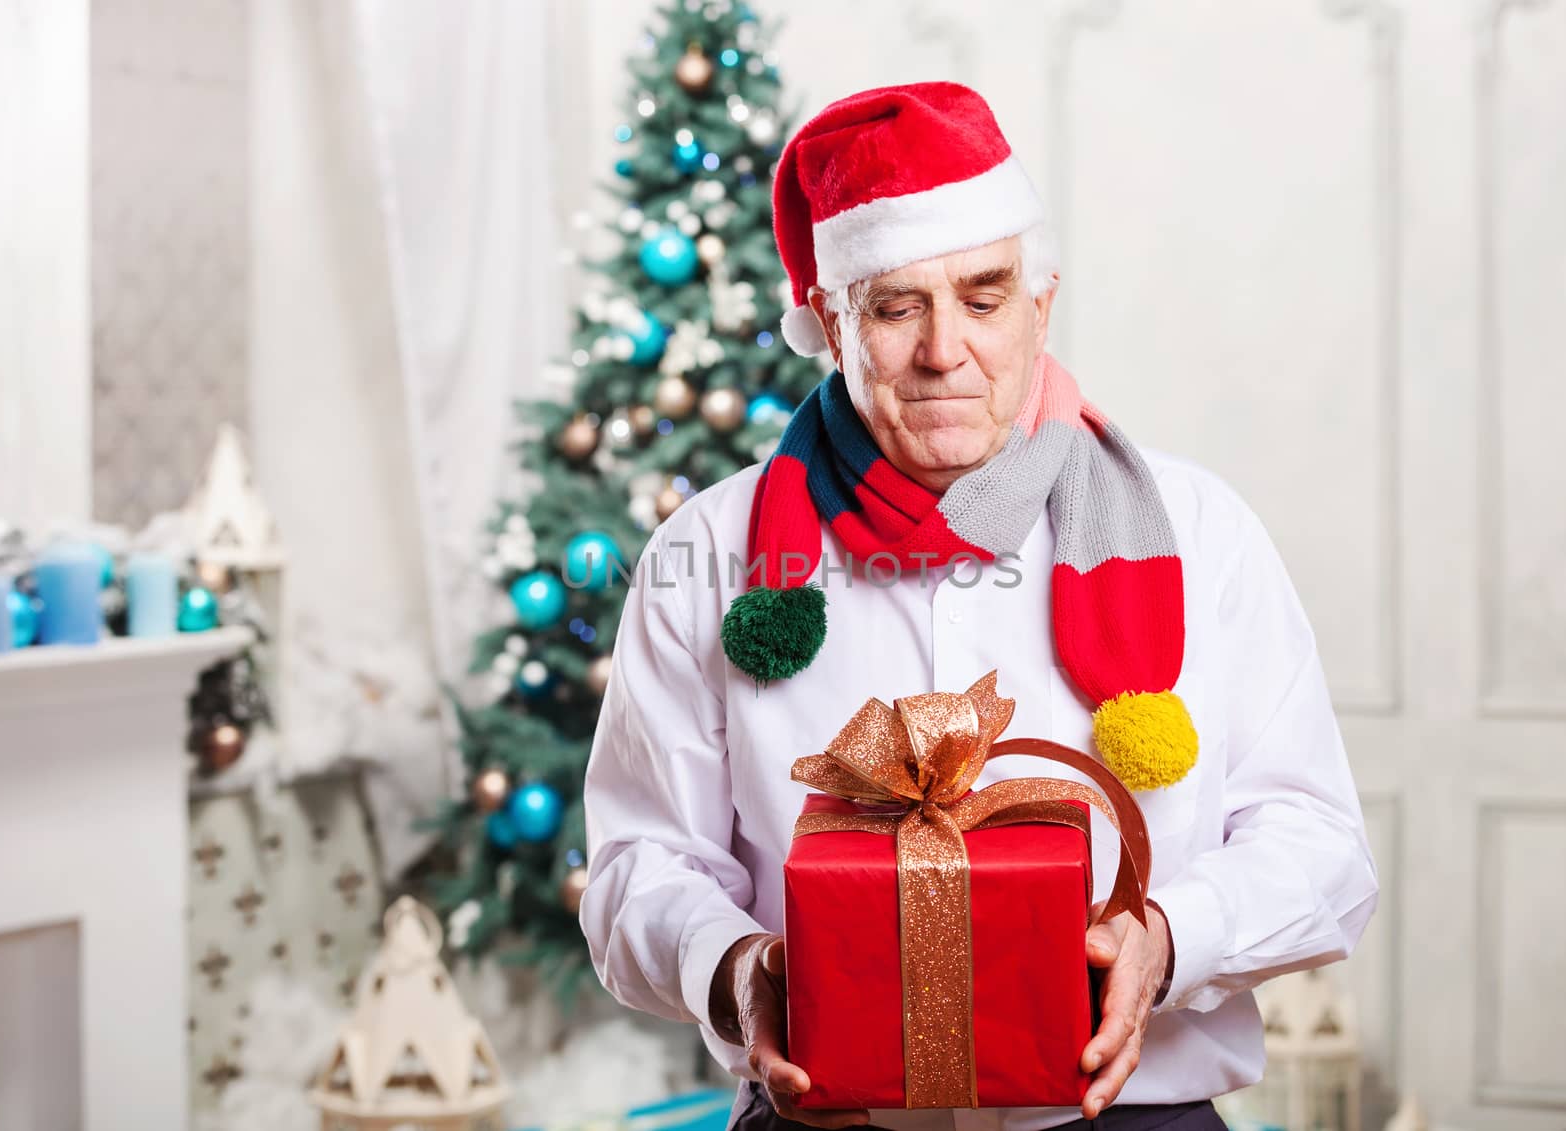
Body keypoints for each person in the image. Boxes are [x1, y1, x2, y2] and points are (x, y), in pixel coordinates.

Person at [579, 81, 1378, 1131]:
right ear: (827, 321)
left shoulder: (1198, 529)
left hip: (1130, 1115)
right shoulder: (710, 554)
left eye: (984, 297)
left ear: (1041, 304)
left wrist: (1172, 938)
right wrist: (731, 968)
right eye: (896, 305)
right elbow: (638, 868)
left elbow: (1319, 845)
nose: (944, 349)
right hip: (822, 1112)